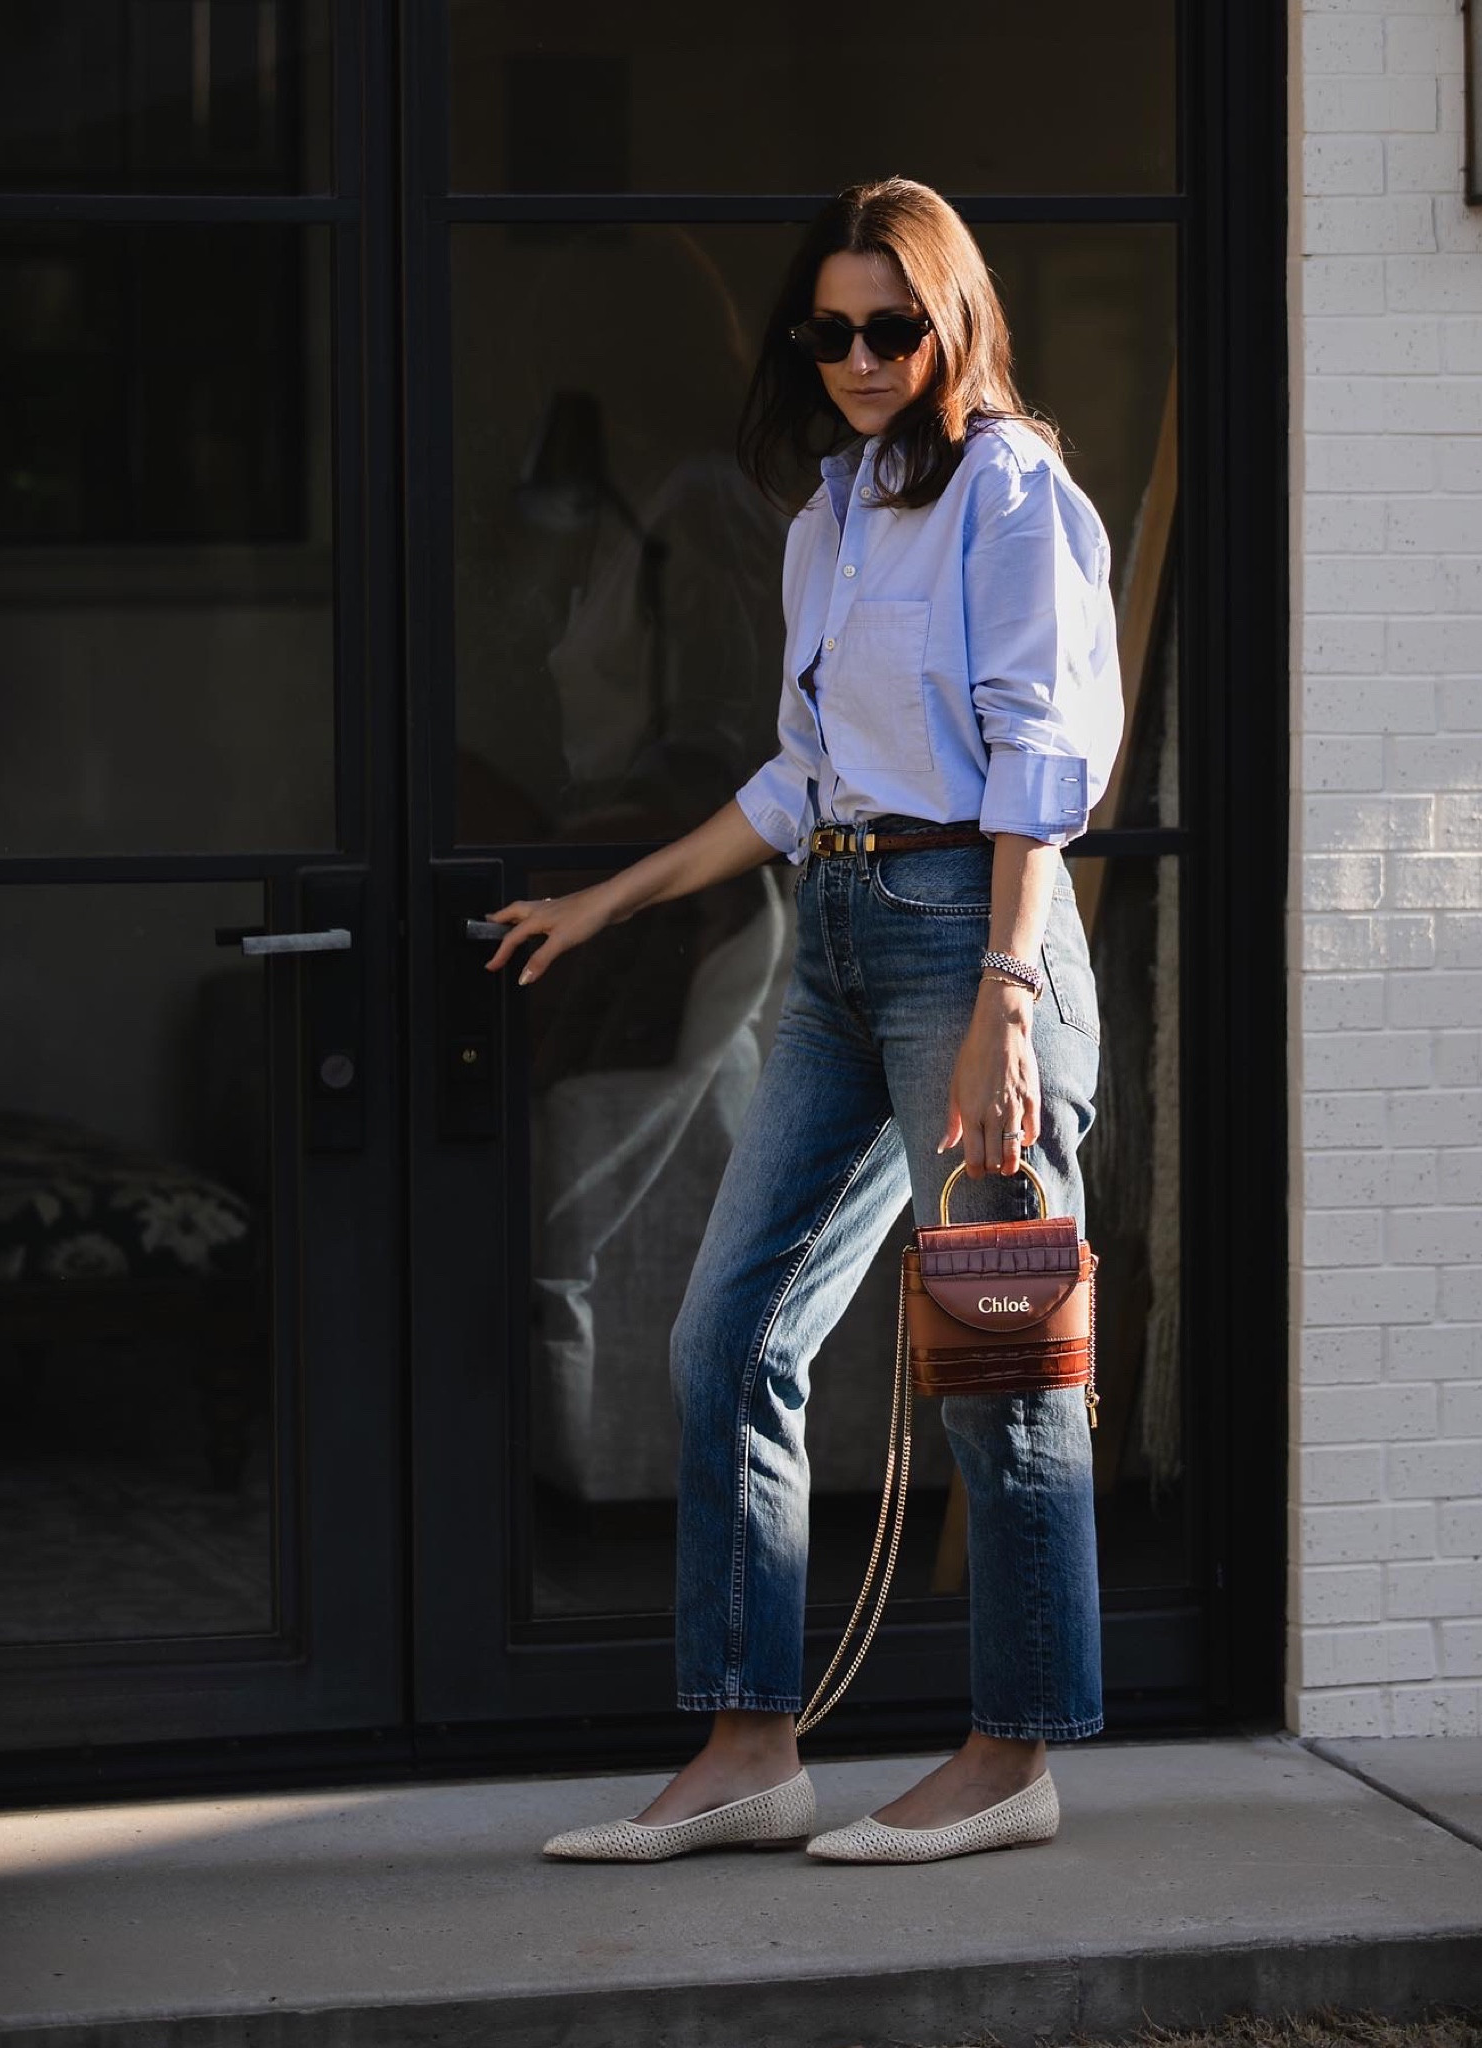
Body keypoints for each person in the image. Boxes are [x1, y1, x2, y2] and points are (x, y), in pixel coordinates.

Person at [485, 175, 1124, 1865]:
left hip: (968, 938)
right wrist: (607, 899)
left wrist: (1004, 1001)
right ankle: (750, 1747)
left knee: (999, 1359)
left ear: (950, 324)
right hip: (837, 940)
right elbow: (794, 780)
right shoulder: (825, 519)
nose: (855, 357)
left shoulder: (1010, 493)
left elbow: (1042, 764)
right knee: (728, 1340)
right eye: (826, 331)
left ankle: (1012, 1757)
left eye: (888, 327)